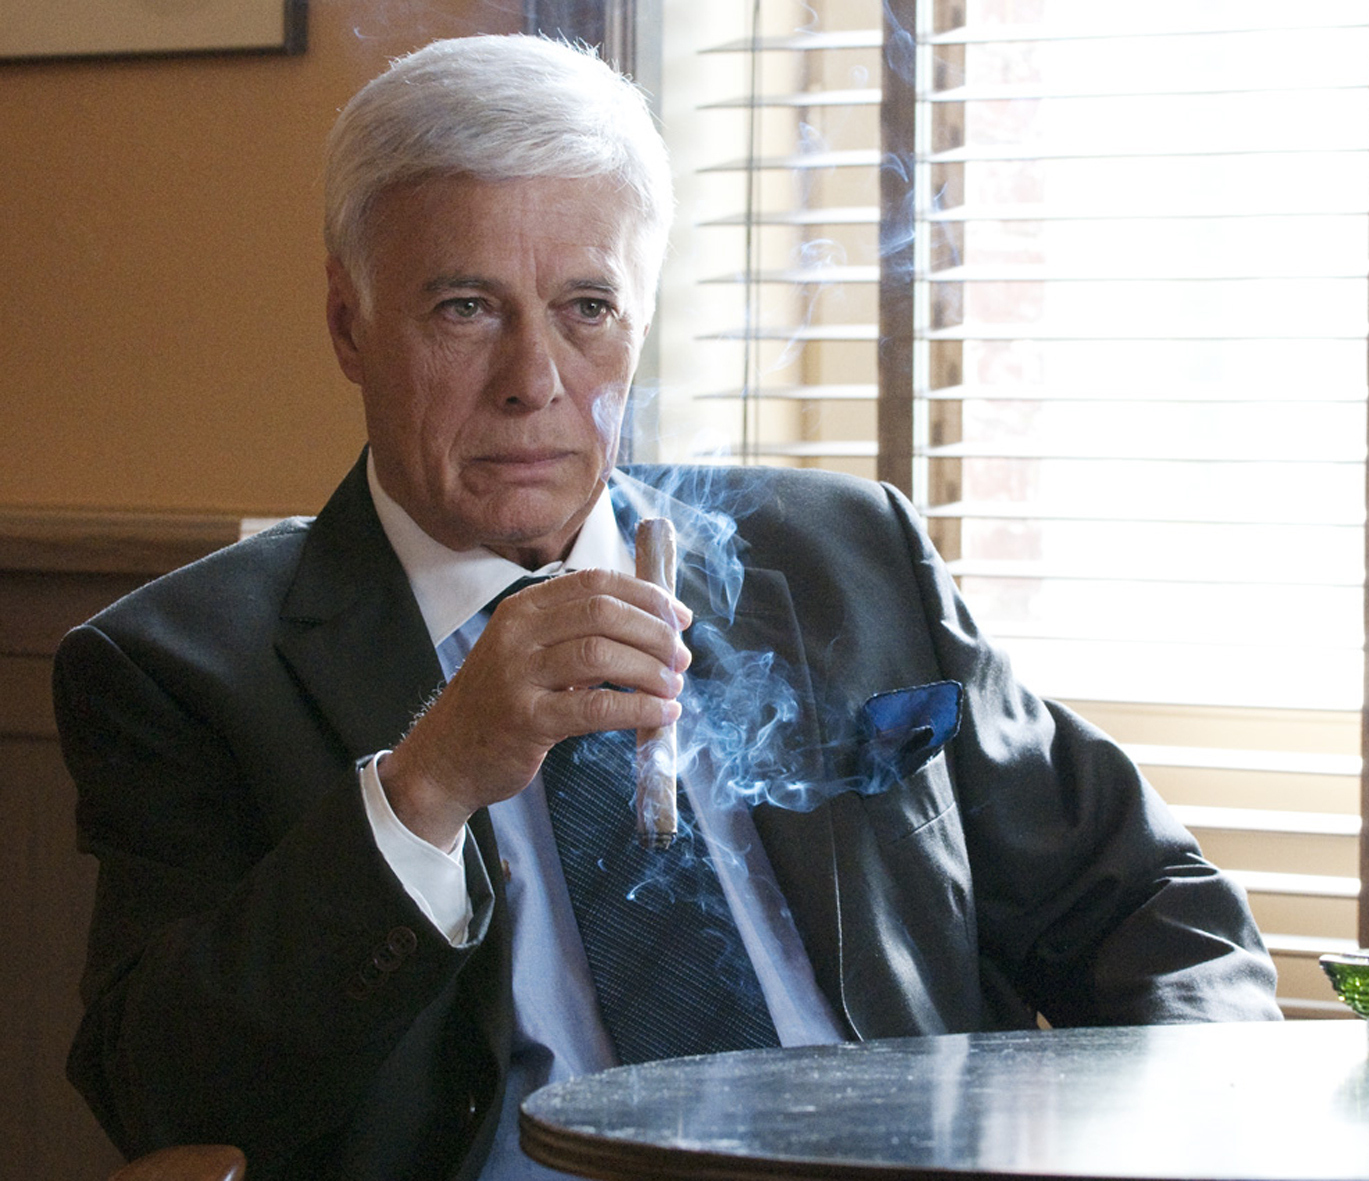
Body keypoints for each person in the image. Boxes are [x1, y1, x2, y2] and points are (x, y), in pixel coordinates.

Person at [54, 33, 1282, 1181]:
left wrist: (1199, 1129)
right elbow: (166, 1093)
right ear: (348, 324)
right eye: (465, 307)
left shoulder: (846, 556)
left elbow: (1151, 908)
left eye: (585, 308)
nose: (534, 382)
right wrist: (430, 782)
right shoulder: (179, 666)